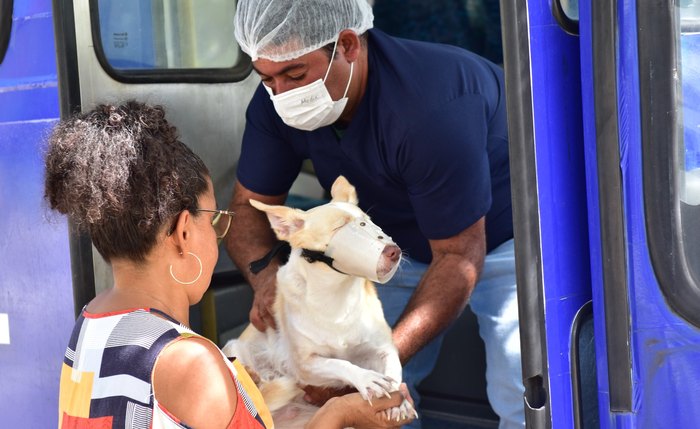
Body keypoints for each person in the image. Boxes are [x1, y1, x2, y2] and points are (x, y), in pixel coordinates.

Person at [224, 1, 524, 428]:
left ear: (348, 45)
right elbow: (246, 208)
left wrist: (371, 366)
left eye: (295, 75)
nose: (283, 94)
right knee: (373, 402)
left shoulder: (431, 107)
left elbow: (458, 258)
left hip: (503, 233)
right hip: (389, 241)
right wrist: (268, 280)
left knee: (522, 388)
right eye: (267, 79)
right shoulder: (276, 102)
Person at [48, 101, 414, 429]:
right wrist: (341, 414)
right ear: (184, 232)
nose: (218, 234)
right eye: (215, 220)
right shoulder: (191, 362)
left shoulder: (89, 325)